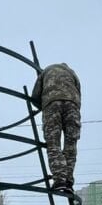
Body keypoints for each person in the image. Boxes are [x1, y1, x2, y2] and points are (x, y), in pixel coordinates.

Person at [31, 63, 81, 194]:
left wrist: (43, 105)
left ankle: (60, 180)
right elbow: (79, 92)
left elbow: (35, 96)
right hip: (73, 106)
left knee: (53, 143)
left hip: (52, 104)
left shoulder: (46, 71)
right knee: (71, 144)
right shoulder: (73, 73)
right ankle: (68, 181)